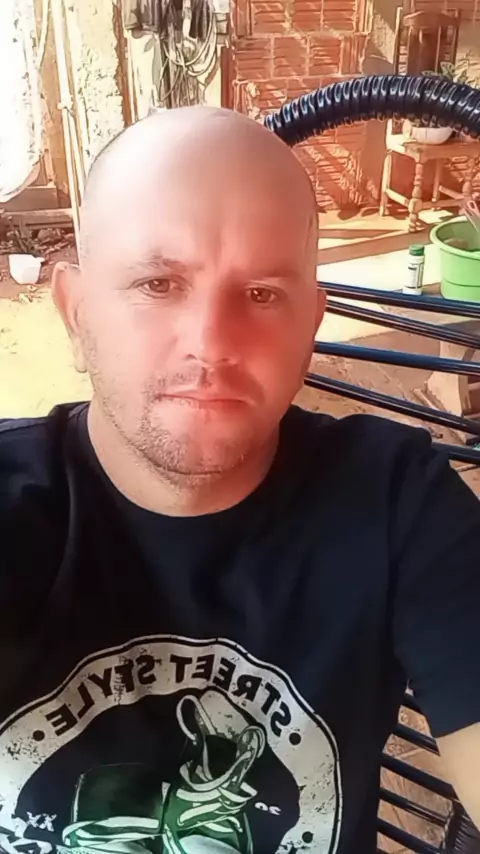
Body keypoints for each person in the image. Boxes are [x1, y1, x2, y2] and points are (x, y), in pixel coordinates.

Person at [0, 105, 479, 854]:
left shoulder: (398, 506)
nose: (212, 343)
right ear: (76, 313)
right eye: (158, 283)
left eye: (261, 293)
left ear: (310, 326)